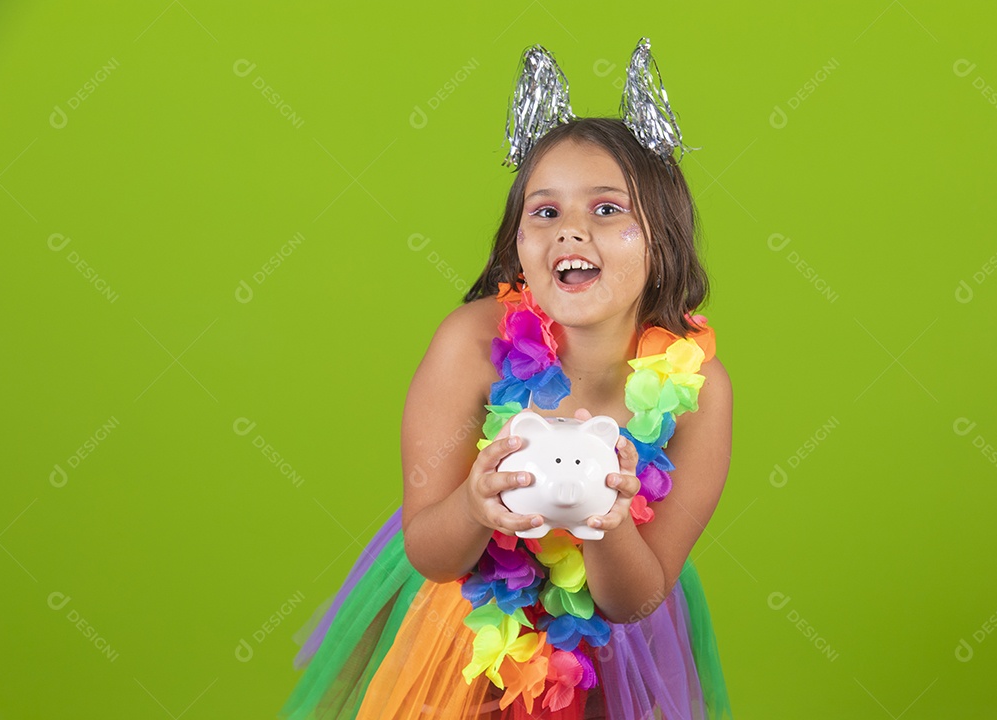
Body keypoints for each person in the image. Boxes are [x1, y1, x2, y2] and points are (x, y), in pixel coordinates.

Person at [279, 40, 734, 720]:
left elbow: (634, 600)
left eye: (607, 210)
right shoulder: (471, 344)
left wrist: (607, 524)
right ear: (516, 242)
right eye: (544, 212)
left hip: (610, 653)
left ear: (661, 237)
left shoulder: (699, 389)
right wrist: (475, 505)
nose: (570, 231)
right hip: (465, 629)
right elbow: (430, 549)